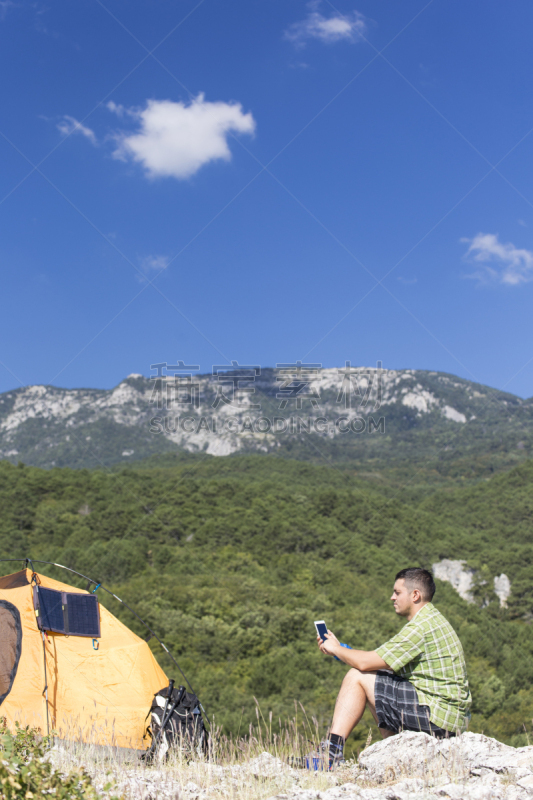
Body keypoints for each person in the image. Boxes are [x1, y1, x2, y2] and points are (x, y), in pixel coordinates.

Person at [317, 567, 472, 767]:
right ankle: (394, 758)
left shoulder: (420, 628)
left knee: (358, 676)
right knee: (376, 678)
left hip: (437, 718)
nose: (392, 597)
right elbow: (382, 664)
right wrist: (341, 650)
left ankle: (330, 754)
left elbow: (365, 664)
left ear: (415, 595)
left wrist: (337, 649)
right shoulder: (432, 620)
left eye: (397, 592)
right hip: (450, 720)